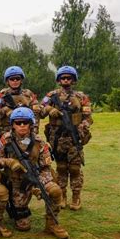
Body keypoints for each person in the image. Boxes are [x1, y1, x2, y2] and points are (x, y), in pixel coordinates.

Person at [0, 107, 69, 239]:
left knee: (55, 191)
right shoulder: (5, 140)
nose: (22, 125)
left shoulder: (39, 142)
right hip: (15, 181)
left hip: (35, 176)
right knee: (23, 224)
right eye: (18, 123)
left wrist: (40, 183)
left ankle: (52, 223)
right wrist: (8, 162)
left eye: (26, 122)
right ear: (13, 124)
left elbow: (46, 167)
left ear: (31, 124)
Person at [40, 66, 93, 210]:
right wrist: (50, 109)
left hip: (74, 137)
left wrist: (83, 126)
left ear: (73, 80)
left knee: (75, 168)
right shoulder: (51, 95)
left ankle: (76, 197)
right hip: (57, 138)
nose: (66, 80)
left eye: (69, 78)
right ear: (58, 80)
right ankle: (62, 195)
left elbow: (88, 118)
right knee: (61, 168)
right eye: (63, 78)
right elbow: (39, 110)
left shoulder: (81, 97)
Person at [0, 66, 41, 141]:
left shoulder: (28, 94)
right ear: (7, 81)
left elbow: (36, 113)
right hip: (6, 133)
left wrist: (34, 129)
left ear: (21, 80)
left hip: (26, 132)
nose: (15, 81)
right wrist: (5, 110)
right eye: (12, 79)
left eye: (17, 78)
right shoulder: (2, 95)